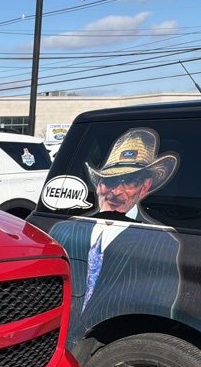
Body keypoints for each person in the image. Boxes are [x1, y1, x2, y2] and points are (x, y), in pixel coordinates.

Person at [51, 127, 182, 342]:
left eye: (129, 181)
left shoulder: (162, 243)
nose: (116, 192)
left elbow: (154, 320)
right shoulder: (64, 230)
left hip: (110, 347)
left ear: (145, 186)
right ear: (98, 185)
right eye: (110, 181)